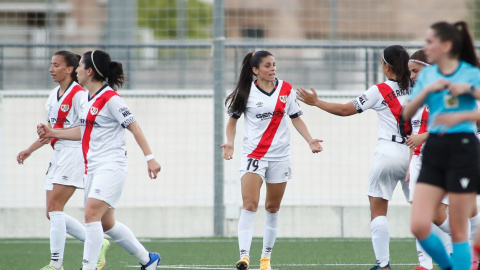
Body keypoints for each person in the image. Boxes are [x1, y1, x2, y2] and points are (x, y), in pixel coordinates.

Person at [37, 50, 161, 270]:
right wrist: (52, 132)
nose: (76, 70)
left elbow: (135, 127)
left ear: (89, 71)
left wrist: (150, 158)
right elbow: (81, 132)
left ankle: (88, 267)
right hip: (92, 168)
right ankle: (148, 259)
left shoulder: (111, 98)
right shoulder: (87, 99)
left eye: (80, 66)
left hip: (112, 166)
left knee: (90, 214)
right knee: (106, 223)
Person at [297, 45, 412, 270]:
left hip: (388, 152)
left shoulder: (379, 90)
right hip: (415, 154)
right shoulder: (420, 88)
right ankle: (443, 258)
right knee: (429, 212)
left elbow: (344, 110)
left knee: (378, 211)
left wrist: (316, 102)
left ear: (387, 66)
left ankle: (383, 265)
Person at [221, 50, 323, 270]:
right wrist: (230, 142)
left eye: (274, 64)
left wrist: (310, 140)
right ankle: (244, 256)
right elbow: (232, 122)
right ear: (255, 70)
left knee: (272, 207)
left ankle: (266, 258)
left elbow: (296, 118)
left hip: (280, 157)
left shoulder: (286, 89)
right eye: (267, 65)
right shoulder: (245, 92)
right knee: (249, 205)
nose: (272, 69)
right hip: (253, 156)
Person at [16, 50, 109, 270]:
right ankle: (97, 241)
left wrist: (53, 133)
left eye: (56, 65)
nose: (51, 69)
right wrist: (30, 149)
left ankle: (55, 264)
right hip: (58, 154)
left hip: (74, 153)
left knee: (56, 206)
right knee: (51, 212)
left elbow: (85, 131)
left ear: (69, 69)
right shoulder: (52, 96)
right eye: (50, 64)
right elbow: (52, 132)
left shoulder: (79, 95)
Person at [402, 21, 480, 270]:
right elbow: (407, 113)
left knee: (458, 229)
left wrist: (468, 92)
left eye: (429, 42)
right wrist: (427, 91)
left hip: (463, 148)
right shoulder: (428, 76)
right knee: (419, 224)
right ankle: (448, 266)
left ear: (446, 45)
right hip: (434, 149)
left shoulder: (469, 72)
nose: (425, 47)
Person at [406, 50, 452, 270]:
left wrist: (424, 137)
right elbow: (415, 131)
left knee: (438, 215)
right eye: (411, 72)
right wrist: (410, 163)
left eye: (415, 71)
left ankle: (467, 248)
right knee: (421, 218)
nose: (412, 76)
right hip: (421, 160)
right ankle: (425, 265)